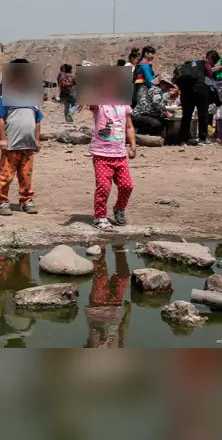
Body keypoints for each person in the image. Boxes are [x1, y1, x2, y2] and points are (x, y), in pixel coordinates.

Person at [0, 60, 43, 216]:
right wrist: (3, 139)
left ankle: (26, 200)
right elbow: (0, 118)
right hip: (11, 145)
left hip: (28, 145)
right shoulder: (6, 97)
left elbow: (37, 120)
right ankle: (1, 202)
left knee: (26, 176)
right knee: (5, 174)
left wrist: (37, 139)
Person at [88, 74, 136, 231]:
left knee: (127, 186)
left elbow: (129, 127)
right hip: (101, 154)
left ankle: (119, 209)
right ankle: (100, 216)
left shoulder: (124, 105)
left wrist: (133, 146)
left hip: (120, 154)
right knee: (103, 186)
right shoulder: (99, 104)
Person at [84, 245, 131, 348]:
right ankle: (119, 247)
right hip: (116, 305)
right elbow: (122, 328)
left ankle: (100, 245)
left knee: (100, 271)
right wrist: (128, 312)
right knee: (124, 276)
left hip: (97, 305)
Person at [0, 253, 35, 348]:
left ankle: (19, 249)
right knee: (8, 265)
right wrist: (0, 299)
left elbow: (33, 314)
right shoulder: (3, 335)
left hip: (24, 292)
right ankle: (8, 252)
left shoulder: (28, 331)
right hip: (10, 292)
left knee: (23, 264)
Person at [173, 58, 213, 146]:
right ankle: (202, 138)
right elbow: (210, 72)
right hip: (201, 89)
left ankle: (183, 139)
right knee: (203, 114)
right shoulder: (203, 63)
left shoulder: (183, 69)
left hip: (186, 92)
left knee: (186, 115)